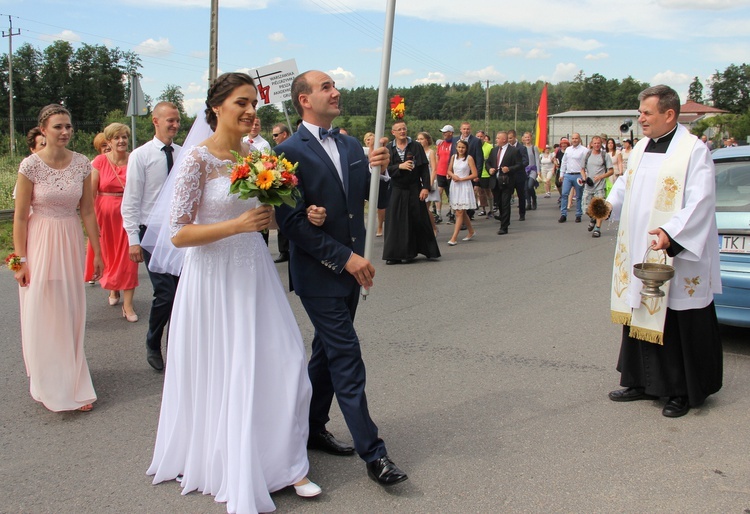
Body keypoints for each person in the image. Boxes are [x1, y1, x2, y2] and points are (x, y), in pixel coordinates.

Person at [147, 72, 324, 513]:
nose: (250, 112)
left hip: (255, 273)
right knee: (235, 370)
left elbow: (267, 213)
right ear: (217, 107)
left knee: (283, 362)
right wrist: (237, 225)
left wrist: (304, 216)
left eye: (253, 104)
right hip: (213, 278)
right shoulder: (197, 161)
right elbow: (178, 233)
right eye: (241, 103)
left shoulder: (255, 155)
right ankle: (244, 463)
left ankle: (287, 462)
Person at [275, 69, 409, 486]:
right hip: (320, 274)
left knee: (327, 355)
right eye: (326, 87)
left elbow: (377, 201)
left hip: (353, 272)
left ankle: (312, 428)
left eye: (335, 85)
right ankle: (375, 454)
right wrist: (346, 258)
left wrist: (383, 173)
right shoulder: (286, 151)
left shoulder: (352, 144)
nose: (336, 92)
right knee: (346, 356)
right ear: (304, 99)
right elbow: (292, 223)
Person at [599, 85, 722, 418]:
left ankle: (681, 391)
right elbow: (626, 182)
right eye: (640, 113)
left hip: (673, 251)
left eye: (646, 113)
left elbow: (702, 200)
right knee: (639, 307)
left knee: (677, 320)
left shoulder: (693, 151)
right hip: (640, 244)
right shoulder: (640, 147)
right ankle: (640, 381)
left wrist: (670, 233)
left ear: (669, 114)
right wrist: (609, 204)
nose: (640, 119)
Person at [12, 104, 103, 412]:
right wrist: (20, 260)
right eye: (58, 127)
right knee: (43, 311)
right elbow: (21, 217)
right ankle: (46, 380)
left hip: (69, 238)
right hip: (39, 240)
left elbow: (87, 210)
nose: (65, 132)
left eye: (68, 127)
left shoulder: (82, 164)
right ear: (43, 130)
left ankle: (74, 383)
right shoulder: (30, 166)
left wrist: (97, 251)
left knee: (69, 311)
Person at [121, 102, 182, 371]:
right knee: (165, 293)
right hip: (151, 233)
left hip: (180, 233)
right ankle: (153, 341)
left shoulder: (183, 154)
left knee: (182, 294)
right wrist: (133, 238)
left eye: (177, 120)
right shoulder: (141, 155)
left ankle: (178, 348)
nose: (175, 125)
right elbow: (131, 199)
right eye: (169, 120)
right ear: (155, 121)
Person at [91, 123, 140, 320]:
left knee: (130, 258)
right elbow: (92, 191)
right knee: (110, 257)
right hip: (105, 216)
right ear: (108, 141)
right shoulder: (100, 161)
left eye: (124, 137)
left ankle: (128, 306)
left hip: (129, 214)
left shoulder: (134, 159)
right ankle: (114, 288)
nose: (121, 141)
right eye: (117, 138)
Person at [382, 120, 440, 263]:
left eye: (404, 129)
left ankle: (425, 250)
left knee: (418, 218)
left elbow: (424, 168)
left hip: (414, 187)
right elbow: (384, 169)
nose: (402, 131)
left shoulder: (416, 146)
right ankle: (394, 255)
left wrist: (425, 187)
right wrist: (399, 167)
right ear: (393, 132)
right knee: (395, 221)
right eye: (399, 129)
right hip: (396, 188)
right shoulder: (389, 148)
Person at [85, 132, 112, 285]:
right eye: (103, 146)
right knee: (97, 239)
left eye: (108, 144)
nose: (107, 148)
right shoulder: (95, 162)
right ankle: (95, 270)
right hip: (100, 206)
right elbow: (91, 190)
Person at [486, 131, 524, 235]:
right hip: (495, 180)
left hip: (507, 181)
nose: (496, 140)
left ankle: (504, 226)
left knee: (505, 203)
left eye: (498, 138)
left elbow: (520, 165)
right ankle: (504, 218)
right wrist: (489, 169)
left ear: (504, 139)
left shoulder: (514, 151)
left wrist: (509, 169)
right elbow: (488, 162)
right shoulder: (494, 150)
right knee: (498, 203)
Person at [580, 136, 614, 238]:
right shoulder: (587, 155)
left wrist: (601, 177)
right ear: (591, 144)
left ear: (601, 144)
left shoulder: (605, 155)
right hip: (588, 186)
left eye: (598, 143)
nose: (597, 145)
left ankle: (597, 229)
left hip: (600, 186)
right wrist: (584, 177)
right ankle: (593, 218)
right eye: (595, 143)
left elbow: (611, 171)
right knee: (585, 208)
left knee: (599, 208)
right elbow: (582, 168)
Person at [446, 139, 477, 245]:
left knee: (459, 212)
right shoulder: (453, 157)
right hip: (455, 185)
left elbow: (474, 174)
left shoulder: (469, 158)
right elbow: (449, 170)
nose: (461, 149)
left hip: (464, 185)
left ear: (466, 148)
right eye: (459, 147)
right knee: (460, 211)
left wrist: (462, 179)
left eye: (463, 147)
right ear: (456, 147)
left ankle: (454, 237)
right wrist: (453, 175)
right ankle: (471, 231)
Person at [271, 122, 291, 263]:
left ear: (284, 134)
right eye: (273, 136)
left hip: (294, 189)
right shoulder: (276, 151)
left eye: (276, 135)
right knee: (281, 219)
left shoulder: (295, 147)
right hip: (281, 190)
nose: (274, 138)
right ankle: (284, 250)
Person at [558, 132, 588, 223]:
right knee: (564, 194)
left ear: (579, 139)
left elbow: (586, 164)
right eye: (573, 138)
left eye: (576, 138)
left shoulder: (584, 150)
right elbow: (564, 162)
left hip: (578, 175)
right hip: (568, 174)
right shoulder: (568, 149)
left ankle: (578, 214)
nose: (574, 140)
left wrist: (585, 176)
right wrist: (561, 174)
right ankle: (563, 214)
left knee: (579, 196)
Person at [417, 131, 440, 235]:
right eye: (418, 139)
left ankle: (433, 228)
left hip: (428, 179)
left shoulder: (430, 152)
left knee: (425, 208)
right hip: (419, 180)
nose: (420, 141)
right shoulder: (417, 151)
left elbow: (434, 169)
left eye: (422, 139)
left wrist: (429, 184)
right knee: (420, 208)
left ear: (427, 140)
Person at [521, 131, 541, 211]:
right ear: (523, 138)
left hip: (532, 170)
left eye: (528, 137)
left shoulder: (534, 148)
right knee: (525, 188)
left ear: (531, 138)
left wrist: (538, 171)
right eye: (525, 137)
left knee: (530, 186)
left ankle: (534, 199)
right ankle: (528, 203)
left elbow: (537, 159)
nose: (527, 139)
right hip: (524, 170)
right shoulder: (522, 148)